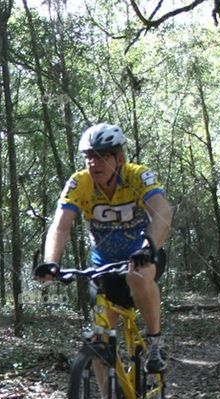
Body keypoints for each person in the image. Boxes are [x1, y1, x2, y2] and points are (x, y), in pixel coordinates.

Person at [35, 123, 174, 374]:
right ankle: (107, 396)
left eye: (101, 156)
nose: (93, 163)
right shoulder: (80, 183)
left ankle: (155, 342)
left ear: (119, 159)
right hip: (104, 264)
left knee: (138, 274)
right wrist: (51, 261)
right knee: (99, 339)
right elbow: (61, 226)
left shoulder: (137, 176)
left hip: (142, 254)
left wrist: (148, 247)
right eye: (89, 156)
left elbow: (162, 211)